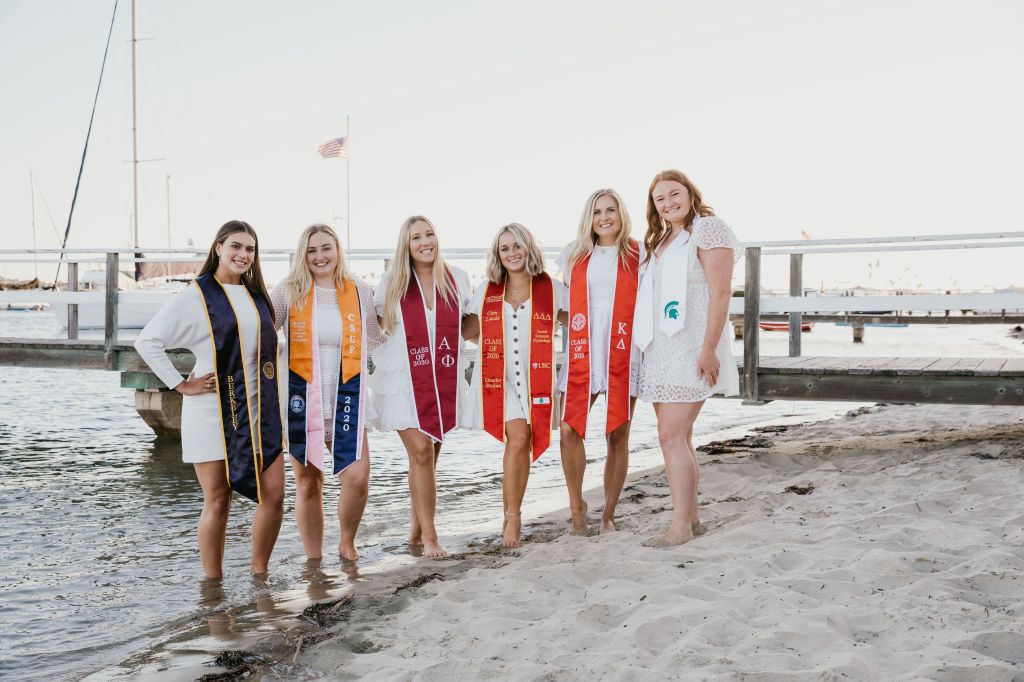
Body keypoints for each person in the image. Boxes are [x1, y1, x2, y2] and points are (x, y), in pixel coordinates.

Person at [135, 220, 284, 578]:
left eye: (250, 249)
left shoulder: (257, 295)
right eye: (236, 246)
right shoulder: (196, 295)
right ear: (218, 248)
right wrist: (179, 384)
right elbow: (147, 341)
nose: (243, 254)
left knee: (275, 495)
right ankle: (213, 586)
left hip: (259, 410)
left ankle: (259, 574)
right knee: (218, 499)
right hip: (212, 409)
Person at [634, 170, 740, 546]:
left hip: (693, 347)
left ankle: (679, 527)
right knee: (679, 437)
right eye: (660, 199)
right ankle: (691, 521)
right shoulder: (663, 239)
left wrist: (709, 349)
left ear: (690, 194)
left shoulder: (708, 229)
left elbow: (721, 293)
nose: (668, 203)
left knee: (671, 436)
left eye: (674, 194)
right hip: (662, 350)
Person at [269, 224, 385, 562]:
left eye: (326, 248)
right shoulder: (289, 291)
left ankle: (347, 542)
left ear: (337, 251)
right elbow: (261, 331)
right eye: (312, 250)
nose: (320, 256)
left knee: (357, 477)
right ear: (302, 255)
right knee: (309, 482)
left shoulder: (358, 291)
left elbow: (376, 337)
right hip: (301, 400)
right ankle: (314, 558)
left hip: (346, 397)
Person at [371, 216, 472, 558]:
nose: (425, 241)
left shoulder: (457, 279)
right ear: (407, 245)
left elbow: (470, 325)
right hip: (403, 379)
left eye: (429, 234)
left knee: (428, 458)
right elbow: (376, 327)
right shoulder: (393, 281)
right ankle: (431, 538)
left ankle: (415, 531)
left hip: (442, 377)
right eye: (416, 237)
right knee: (421, 452)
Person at [462, 223, 567, 549]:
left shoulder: (552, 288)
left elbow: (578, 322)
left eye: (517, 245)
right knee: (519, 437)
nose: (512, 253)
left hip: (536, 377)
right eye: (504, 248)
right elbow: (469, 331)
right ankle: (513, 518)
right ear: (498, 254)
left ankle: (511, 514)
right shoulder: (487, 290)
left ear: (528, 247)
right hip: (499, 378)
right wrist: (494, 347)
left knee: (524, 442)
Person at [556, 189, 641, 535]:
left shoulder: (639, 253)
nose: (604, 218)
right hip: (584, 346)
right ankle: (577, 506)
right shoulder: (574, 254)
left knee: (617, 433)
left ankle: (608, 514)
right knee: (568, 429)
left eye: (610, 210)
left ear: (621, 214)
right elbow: (560, 304)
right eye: (597, 212)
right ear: (588, 218)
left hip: (623, 345)